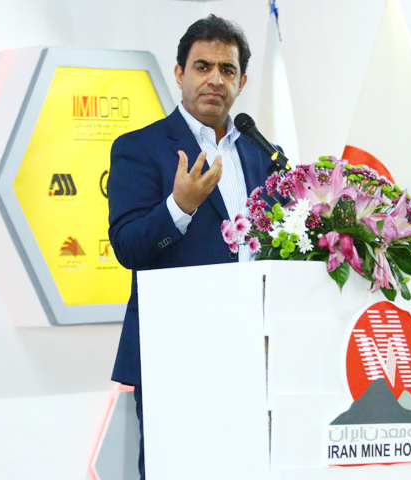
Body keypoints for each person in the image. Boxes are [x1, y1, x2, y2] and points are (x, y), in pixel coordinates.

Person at [106, 15, 272, 478]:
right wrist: (180, 206)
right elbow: (129, 247)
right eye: (202, 67)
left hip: (252, 355)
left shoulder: (262, 153)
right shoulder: (140, 148)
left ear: (241, 82)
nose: (215, 79)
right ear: (179, 74)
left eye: (227, 69)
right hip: (175, 356)